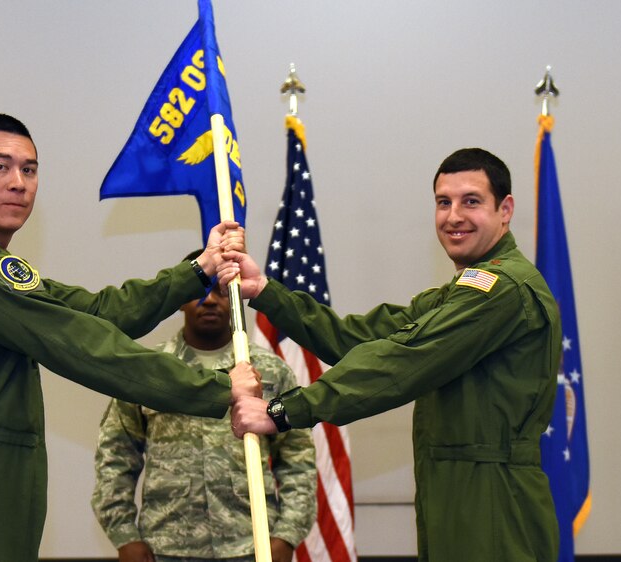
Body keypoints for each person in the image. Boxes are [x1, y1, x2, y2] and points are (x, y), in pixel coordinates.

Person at [0, 113, 260, 562]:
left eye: (29, 170)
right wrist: (221, 388)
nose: (18, 182)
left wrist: (197, 271)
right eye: (0, 166)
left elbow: (99, 313)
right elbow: (88, 349)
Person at [220, 148, 562, 562]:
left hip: (493, 497)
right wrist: (266, 293)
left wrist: (281, 412)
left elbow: (403, 361)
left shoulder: (502, 289)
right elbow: (355, 340)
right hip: (454, 489)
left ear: (504, 209)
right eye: (443, 202)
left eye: (471, 201)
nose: (454, 216)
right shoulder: (459, 293)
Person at [92, 250, 317, 562]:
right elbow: (115, 457)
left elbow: (297, 458)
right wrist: (124, 535)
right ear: (183, 299)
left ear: (236, 296)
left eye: (221, 290)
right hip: (165, 547)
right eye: (200, 290)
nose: (210, 300)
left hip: (250, 545)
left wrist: (287, 535)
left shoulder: (269, 370)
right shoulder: (149, 369)